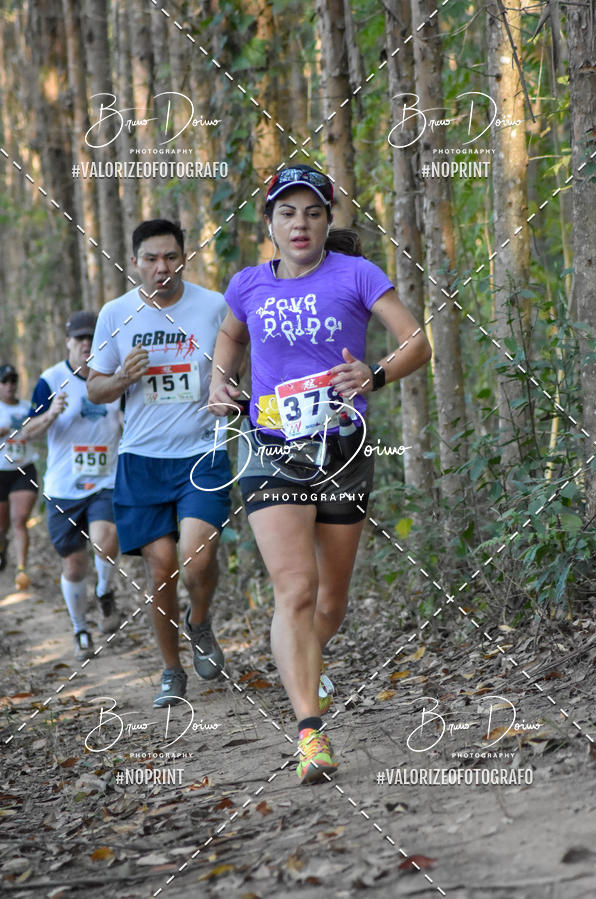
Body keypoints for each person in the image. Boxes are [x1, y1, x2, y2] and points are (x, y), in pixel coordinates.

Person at [208, 164, 431, 784]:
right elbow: (229, 339)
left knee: (330, 601)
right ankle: (310, 730)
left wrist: (375, 374)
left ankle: (307, 662)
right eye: (287, 213)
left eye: (312, 212)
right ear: (270, 224)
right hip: (270, 445)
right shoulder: (248, 285)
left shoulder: (357, 274)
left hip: (343, 448)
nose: (300, 223)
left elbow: (417, 341)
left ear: (328, 220)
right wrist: (221, 381)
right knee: (297, 590)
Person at [87, 219, 231, 709]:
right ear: (134, 264)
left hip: (202, 451)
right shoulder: (115, 314)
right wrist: (123, 378)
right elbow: (95, 387)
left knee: (197, 557)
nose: (161, 268)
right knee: (162, 568)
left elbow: (237, 364)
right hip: (142, 459)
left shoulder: (213, 306)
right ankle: (171, 670)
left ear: (183, 258)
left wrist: (228, 394)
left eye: (170, 257)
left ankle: (200, 621)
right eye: (150, 259)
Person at [23, 312, 122, 661]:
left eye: (91, 338)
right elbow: (24, 432)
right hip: (63, 488)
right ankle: (80, 628)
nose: (85, 345)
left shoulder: (113, 378)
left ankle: (105, 590)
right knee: (74, 565)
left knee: (105, 539)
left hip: (104, 482)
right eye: (79, 338)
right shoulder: (51, 380)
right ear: (67, 342)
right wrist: (50, 415)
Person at [0, 364, 39, 590]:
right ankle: (2, 546)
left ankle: (22, 569)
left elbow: (41, 428)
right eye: (5, 381)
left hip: (24, 470)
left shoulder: (28, 408)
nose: (10, 385)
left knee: (19, 518)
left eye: (13, 380)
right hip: (1, 471)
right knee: (2, 525)